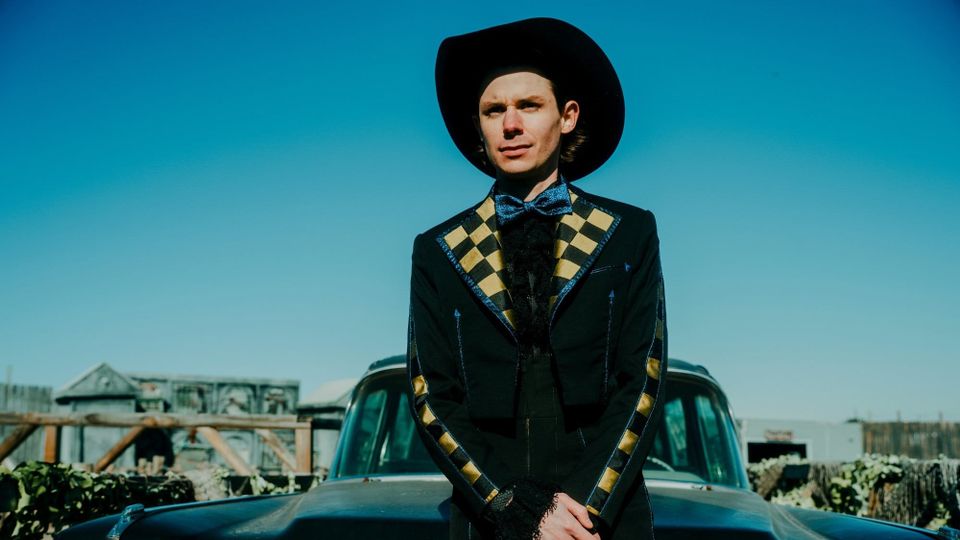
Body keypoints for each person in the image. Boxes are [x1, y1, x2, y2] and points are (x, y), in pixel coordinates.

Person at [407, 18, 667, 540]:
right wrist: (515, 509)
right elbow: (430, 396)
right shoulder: (436, 251)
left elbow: (642, 379)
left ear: (567, 116)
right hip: (491, 520)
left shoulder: (628, 233)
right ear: (478, 126)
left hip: (604, 522)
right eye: (493, 110)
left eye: (529, 105)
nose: (510, 124)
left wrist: (582, 506)